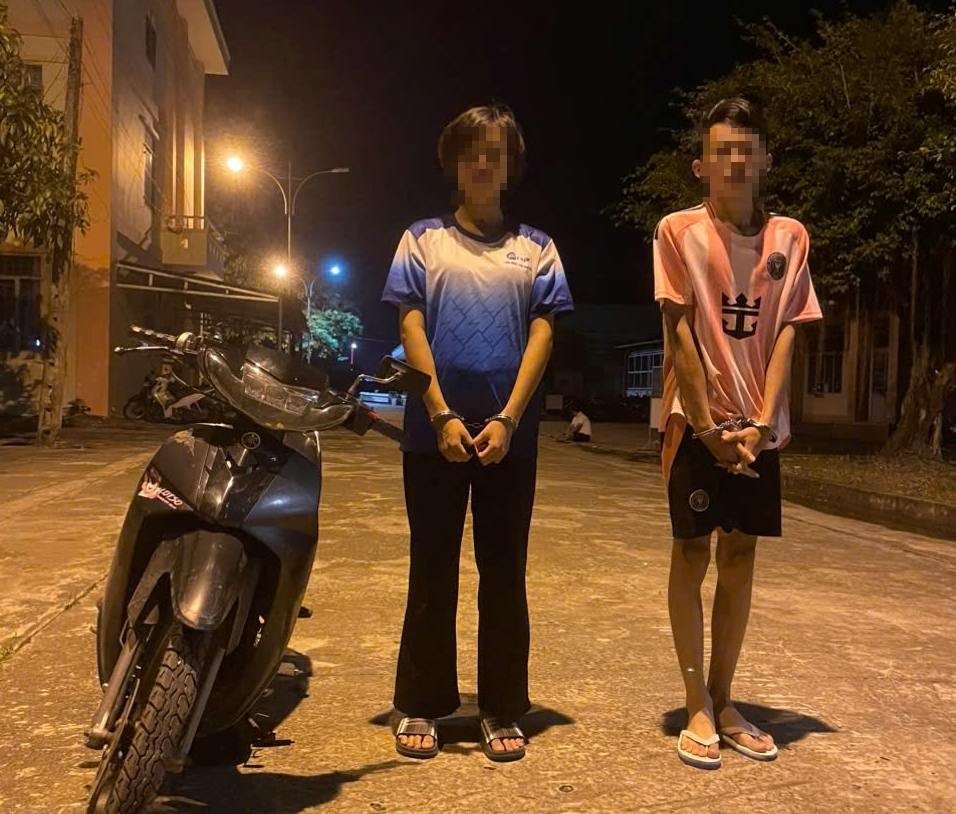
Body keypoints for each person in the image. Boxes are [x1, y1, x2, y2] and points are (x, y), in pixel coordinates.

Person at [381, 104, 574, 762]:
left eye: (497, 152)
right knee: (431, 569)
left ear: (511, 165)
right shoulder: (421, 240)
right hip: (430, 435)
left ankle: (501, 706)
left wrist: (508, 418)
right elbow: (410, 325)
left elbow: (543, 332)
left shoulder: (538, 249)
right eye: (473, 152)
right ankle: (423, 702)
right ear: (455, 164)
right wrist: (439, 413)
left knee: (504, 573)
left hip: (508, 441)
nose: (484, 163)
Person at [653, 97, 823, 770]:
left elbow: (787, 332)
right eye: (721, 151)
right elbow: (680, 330)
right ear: (701, 165)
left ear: (766, 161)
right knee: (692, 552)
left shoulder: (791, 238)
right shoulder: (677, 232)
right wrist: (705, 427)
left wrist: (763, 421)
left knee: (741, 554)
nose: (734, 162)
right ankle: (694, 699)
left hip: (759, 430)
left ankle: (724, 700)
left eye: (746, 150)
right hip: (696, 425)